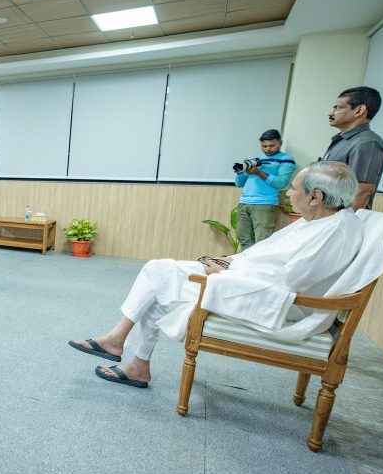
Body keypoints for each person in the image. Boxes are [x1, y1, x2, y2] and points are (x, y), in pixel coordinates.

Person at [69, 162, 364, 389]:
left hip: (272, 301)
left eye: (294, 189)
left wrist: (228, 271)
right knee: (159, 279)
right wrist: (228, 262)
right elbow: (265, 257)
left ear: (316, 196)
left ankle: (119, 343)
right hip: (249, 282)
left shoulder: (334, 232)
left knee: (158, 272)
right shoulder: (320, 222)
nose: (288, 193)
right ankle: (132, 359)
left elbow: (286, 282)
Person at [321, 86, 383, 210]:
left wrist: (342, 224)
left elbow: (362, 192)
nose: (331, 113)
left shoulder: (367, 143)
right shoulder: (341, 140)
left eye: (338, 107)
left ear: (359, 110)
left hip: (340, 222)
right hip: (325, 216)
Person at [234, 129, 296, 250]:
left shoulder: (286, 159)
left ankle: (258, 268)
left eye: (272, 145)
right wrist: (240, 172)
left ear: (280, 142)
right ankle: (245, 268)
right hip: (244, 203)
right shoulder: (256, 160)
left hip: (265, 204)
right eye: (264, 146)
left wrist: (258, 172)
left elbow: (281, 183)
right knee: (244, 240)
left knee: (262, 242)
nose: (267, 149)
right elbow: (239, 183)